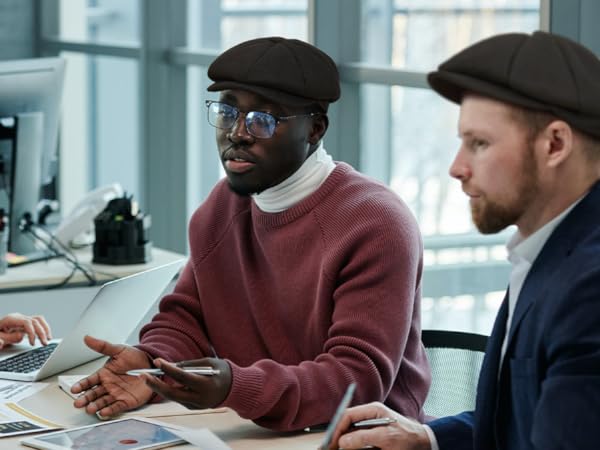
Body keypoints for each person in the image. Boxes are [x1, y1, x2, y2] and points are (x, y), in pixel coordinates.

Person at [70, 36, 431, 431]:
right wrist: (153, 365)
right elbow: (186, 318)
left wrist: (236, 386)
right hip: (256, 431)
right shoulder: (221, 208)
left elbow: (355, 381)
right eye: (227, 113)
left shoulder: (375, 224)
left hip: (362, 438)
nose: (237, 134)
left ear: (315, 129)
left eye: (263, 120)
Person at [325, 30, 600, 450]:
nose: (457, 167)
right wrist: (429, 437)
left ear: (555, 144)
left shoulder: (589, 285)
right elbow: (523, 420)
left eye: (479, 143)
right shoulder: (553, 249)